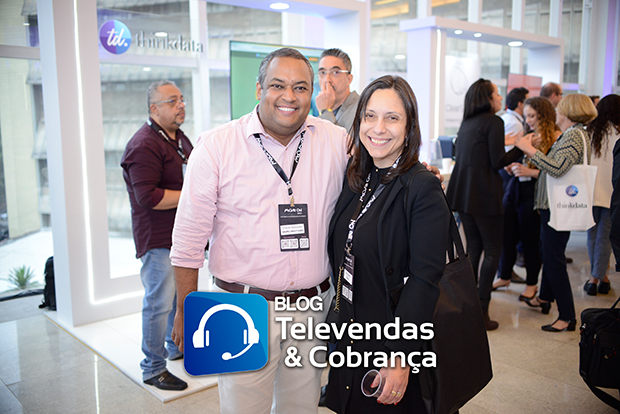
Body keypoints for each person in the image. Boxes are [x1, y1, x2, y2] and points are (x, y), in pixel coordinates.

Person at [169, 48, 348, 414]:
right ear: (259, 89)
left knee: (302, 408)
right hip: (240, 308)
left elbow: (381, 171)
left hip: (312, 308)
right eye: (277, 85)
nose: (289, 96)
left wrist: (419, 174)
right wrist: (185, 309)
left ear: (312, 92)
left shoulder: (336, 141)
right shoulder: (217, 146)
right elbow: (188, 240)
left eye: (300, 87)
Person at [324, 75, 451, 413]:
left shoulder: (421, 188)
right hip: (350, 336)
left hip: (389, 341)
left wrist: (399, 357)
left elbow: (424, 281)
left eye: (392, 118)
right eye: (370, 116)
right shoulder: (357, 177)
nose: (378, 128)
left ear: (409, 128)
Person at [120, 80, 192, 391]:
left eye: (182, 99)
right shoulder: (143, 144)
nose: (181, 105)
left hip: (180, 235)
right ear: (154, 108)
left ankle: (175, 347)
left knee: (176, 298)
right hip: (157, 238)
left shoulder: (178, 138)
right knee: (158, 303)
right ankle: (153, 368)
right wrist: (192, 195)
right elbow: (147, 197)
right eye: (172, 101)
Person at [514, 93, 598, 332]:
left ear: (570, 112)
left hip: (558, 208)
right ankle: (545, 297)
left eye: (560, 108)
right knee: (548, 252)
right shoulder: (574, 134)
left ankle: (567, 316)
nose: (556, 112)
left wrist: (529, 149)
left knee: (553, 260)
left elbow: (558, 168)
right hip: (552, 207)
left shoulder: (574, 135)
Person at [446, 79, 523, 330]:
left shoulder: (468, 123)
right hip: (485, 196)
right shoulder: (494, 122)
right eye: (497, 94)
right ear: (487, 98)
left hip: (464, 195)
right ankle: (481, 310)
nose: (501, 98)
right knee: (492, 251)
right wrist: (521, 148)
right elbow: (497, 161)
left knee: (474, 250)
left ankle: (470, 307)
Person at [493, 97, 561, 300]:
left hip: (534, 193)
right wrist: (512, 166)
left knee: (530, 241)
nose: (528, 120)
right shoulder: (528, 135)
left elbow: (556, 171)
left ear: (544, 115)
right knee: (507, 236)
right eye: (526, 116)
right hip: (514, 190)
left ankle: (531, 284)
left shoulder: (555, 137)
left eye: (532, 116)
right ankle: (504, 276)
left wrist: (529, 172)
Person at [584, 94, 620, 295]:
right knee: (605, 237)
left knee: (592, 234)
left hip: (590, 190)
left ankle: (597, 278)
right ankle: (596, 278)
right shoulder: (618, 133)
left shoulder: (590, 131)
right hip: (611, 192)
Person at [316, 48, 359, 132]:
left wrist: (325, 111)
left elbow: (342, 140)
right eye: (322, 73)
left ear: (349, 79)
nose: (327, 79)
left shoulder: (361, 109)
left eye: (335, 72)